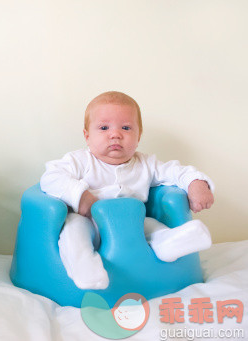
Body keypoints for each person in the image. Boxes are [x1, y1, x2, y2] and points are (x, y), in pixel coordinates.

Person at [40, 91, 214, 290]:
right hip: (89, 221)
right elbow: (51, 177)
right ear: (87, 136)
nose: (115, 134)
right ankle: (85, 268)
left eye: (126, 127)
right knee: (73, 230)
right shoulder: (79, 161)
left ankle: (169, 243)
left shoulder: (146, 164)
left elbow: (176, 172)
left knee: (152, 225)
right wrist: (80, 196)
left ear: (139, 135)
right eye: (104, 127)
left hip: (134, 225)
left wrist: (196, 183)